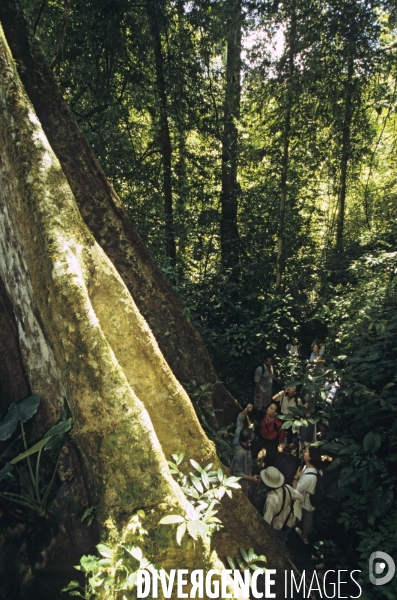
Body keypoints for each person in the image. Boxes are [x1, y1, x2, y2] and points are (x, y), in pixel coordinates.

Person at [262, 466, 303, 542]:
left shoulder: (271, 499)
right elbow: (301, 498)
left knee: (277, 540)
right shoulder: (287, 487)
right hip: (289, 520)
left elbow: (266, 521)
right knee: (283, 537)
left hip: (278, 525)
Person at [292, 445, 323, 544]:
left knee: (306, 519)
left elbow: (295, 491)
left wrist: (296, 478)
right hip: (307, 500)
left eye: (306, 452)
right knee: (307, 519)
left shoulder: (308, 478)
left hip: (307, 504)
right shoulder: (312, 469)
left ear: (310, 458)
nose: (303, 452)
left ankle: (305, 536)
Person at [230, 428, 261, 496]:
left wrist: (242, 416)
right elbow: (237, 473)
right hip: (242, 479)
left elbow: (239, 422)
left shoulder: (238, 437)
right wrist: (252, 479)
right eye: (252, 438)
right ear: (249, 440)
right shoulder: (240, 454)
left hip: (247, 471)